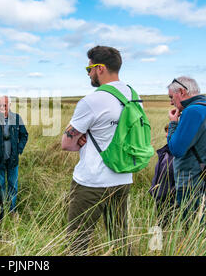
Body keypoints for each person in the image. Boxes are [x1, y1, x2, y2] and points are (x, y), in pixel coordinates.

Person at [61, 45, 135, 254]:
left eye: (89, 69)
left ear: (100, 68)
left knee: (78, 240)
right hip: (122, 178)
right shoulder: (133, 96)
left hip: (92, 180)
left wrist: (81, 137)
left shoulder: (93, 100)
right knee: (119, 237)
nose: (88, 74)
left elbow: (67, 143)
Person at [166, 76, 206, 221]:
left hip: (193, 184)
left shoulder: (192, 111)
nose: (170, 102)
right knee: (205, 232)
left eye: (171, 97)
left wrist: (173, 124)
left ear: (181, 91)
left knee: (192, 231)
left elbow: (176, 149)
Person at [0, 96, 28, 213]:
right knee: (0, 185)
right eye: (0, 105)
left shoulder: (17, 118)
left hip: (13, 160)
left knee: (13, 185)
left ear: (10, 105)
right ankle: (1, 210)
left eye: (5, 105)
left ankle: (11, 210)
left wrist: (18, 149)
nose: (2, 107)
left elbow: (24, 135)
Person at [149, 124, 176, 228]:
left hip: (170, 202)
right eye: (166, 132)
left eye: (169, 132)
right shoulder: (166, 152)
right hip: (161, 202)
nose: (166, 136)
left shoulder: (176, 155)